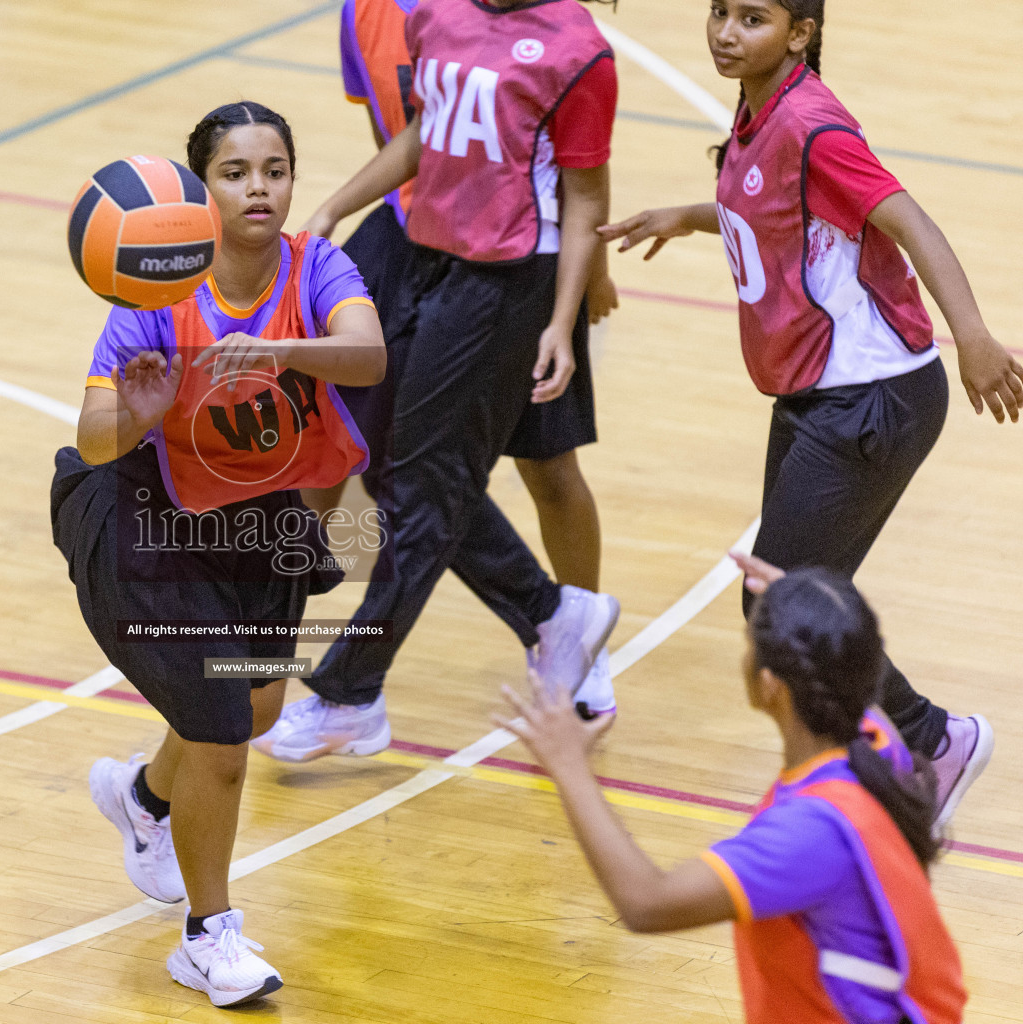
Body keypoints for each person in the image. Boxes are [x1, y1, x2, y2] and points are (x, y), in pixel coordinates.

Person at [597, 0, 1021, 827]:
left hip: (871, 398)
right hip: (817, 393)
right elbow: (765, 203)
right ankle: (908, 758)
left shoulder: (813, 126)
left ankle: (928, 745)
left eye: (752, 19)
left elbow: (910, 220)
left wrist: (972, 335)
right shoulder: (760, 108)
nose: (726, 33)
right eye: (719, 12)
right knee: (796, 595)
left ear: (801, 34)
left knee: (777, 600)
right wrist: (686, 217)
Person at [51, 101, 386, 1006]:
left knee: (260, 706)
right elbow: (91, 440)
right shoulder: (153, 297)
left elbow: (367, 355)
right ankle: (210, 938)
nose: (259, 189)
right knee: (225, 736)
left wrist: (279, 347)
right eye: (236, 173)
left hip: (261, 514)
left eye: (274, 171)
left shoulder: (316, 267)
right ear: (200, 191)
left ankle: (147, 799)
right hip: (150, 520)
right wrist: (144, 413)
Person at [254, 0, 623, 764]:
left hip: (510, 283)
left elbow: (584, 196)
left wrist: (561, 323)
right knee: (385, 461)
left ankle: (350, 693)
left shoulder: (578, 49)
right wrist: (334, 205)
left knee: (427, 490)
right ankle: (551, 616)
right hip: (430, 260)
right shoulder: (443, 18)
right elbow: (426, 134)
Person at [498, 562, 968, 1024]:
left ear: (770, 687)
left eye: (750, 648)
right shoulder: (876, 741)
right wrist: (804, 603)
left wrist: (569, 765)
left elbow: (646, 902)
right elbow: (844, 658)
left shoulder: (811, 834)